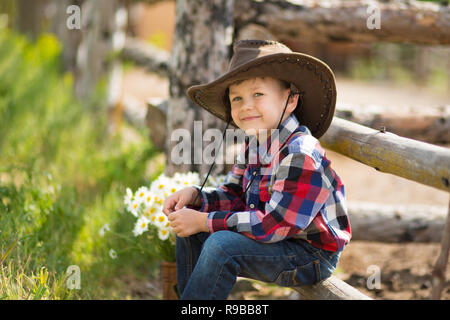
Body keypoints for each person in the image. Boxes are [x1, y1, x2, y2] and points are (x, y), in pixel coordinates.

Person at [162, 39, 351, 300]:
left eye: (258, 94)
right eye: (236, 98)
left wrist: (205, 221)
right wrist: (198, 198)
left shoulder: (300, 153)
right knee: (192, 223)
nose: (245, 106)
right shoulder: (255, 143)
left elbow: (274, 225)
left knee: (220, 246)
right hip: (278, 239)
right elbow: (234, 196)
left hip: (310, 254)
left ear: (291, 99)